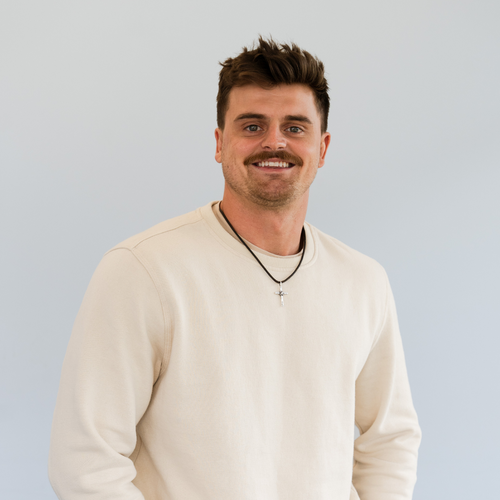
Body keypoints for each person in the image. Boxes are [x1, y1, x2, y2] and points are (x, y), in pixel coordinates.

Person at [48, 37, 421, 500]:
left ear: (322, 148)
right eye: (252, 125)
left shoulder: (363, 282)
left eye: (295, 127)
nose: (274, 142)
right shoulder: (143, 270)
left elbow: (391, 439)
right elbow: (84, 461)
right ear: (220, 144)